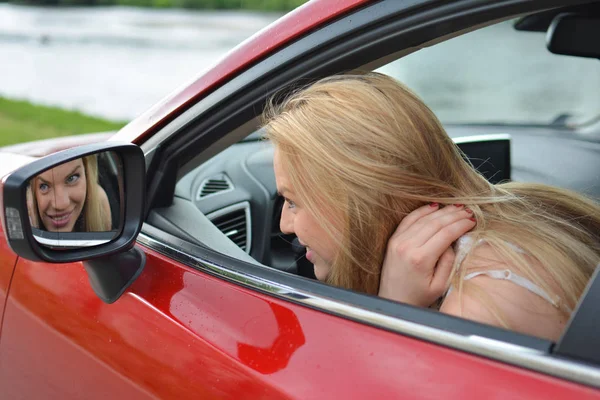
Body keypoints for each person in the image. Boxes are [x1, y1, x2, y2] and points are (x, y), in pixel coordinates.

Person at [264, 72, 600, 341]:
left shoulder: (477, 309)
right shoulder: (519, 207)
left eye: (293, 201)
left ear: (358, 200)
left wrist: (394, 310)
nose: (284, 225)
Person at [28, 155, 112, 233]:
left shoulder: (99, 203)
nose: (61, 205)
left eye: (72, 178)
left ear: (87, 175)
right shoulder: (25, 212)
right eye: (44, 186)